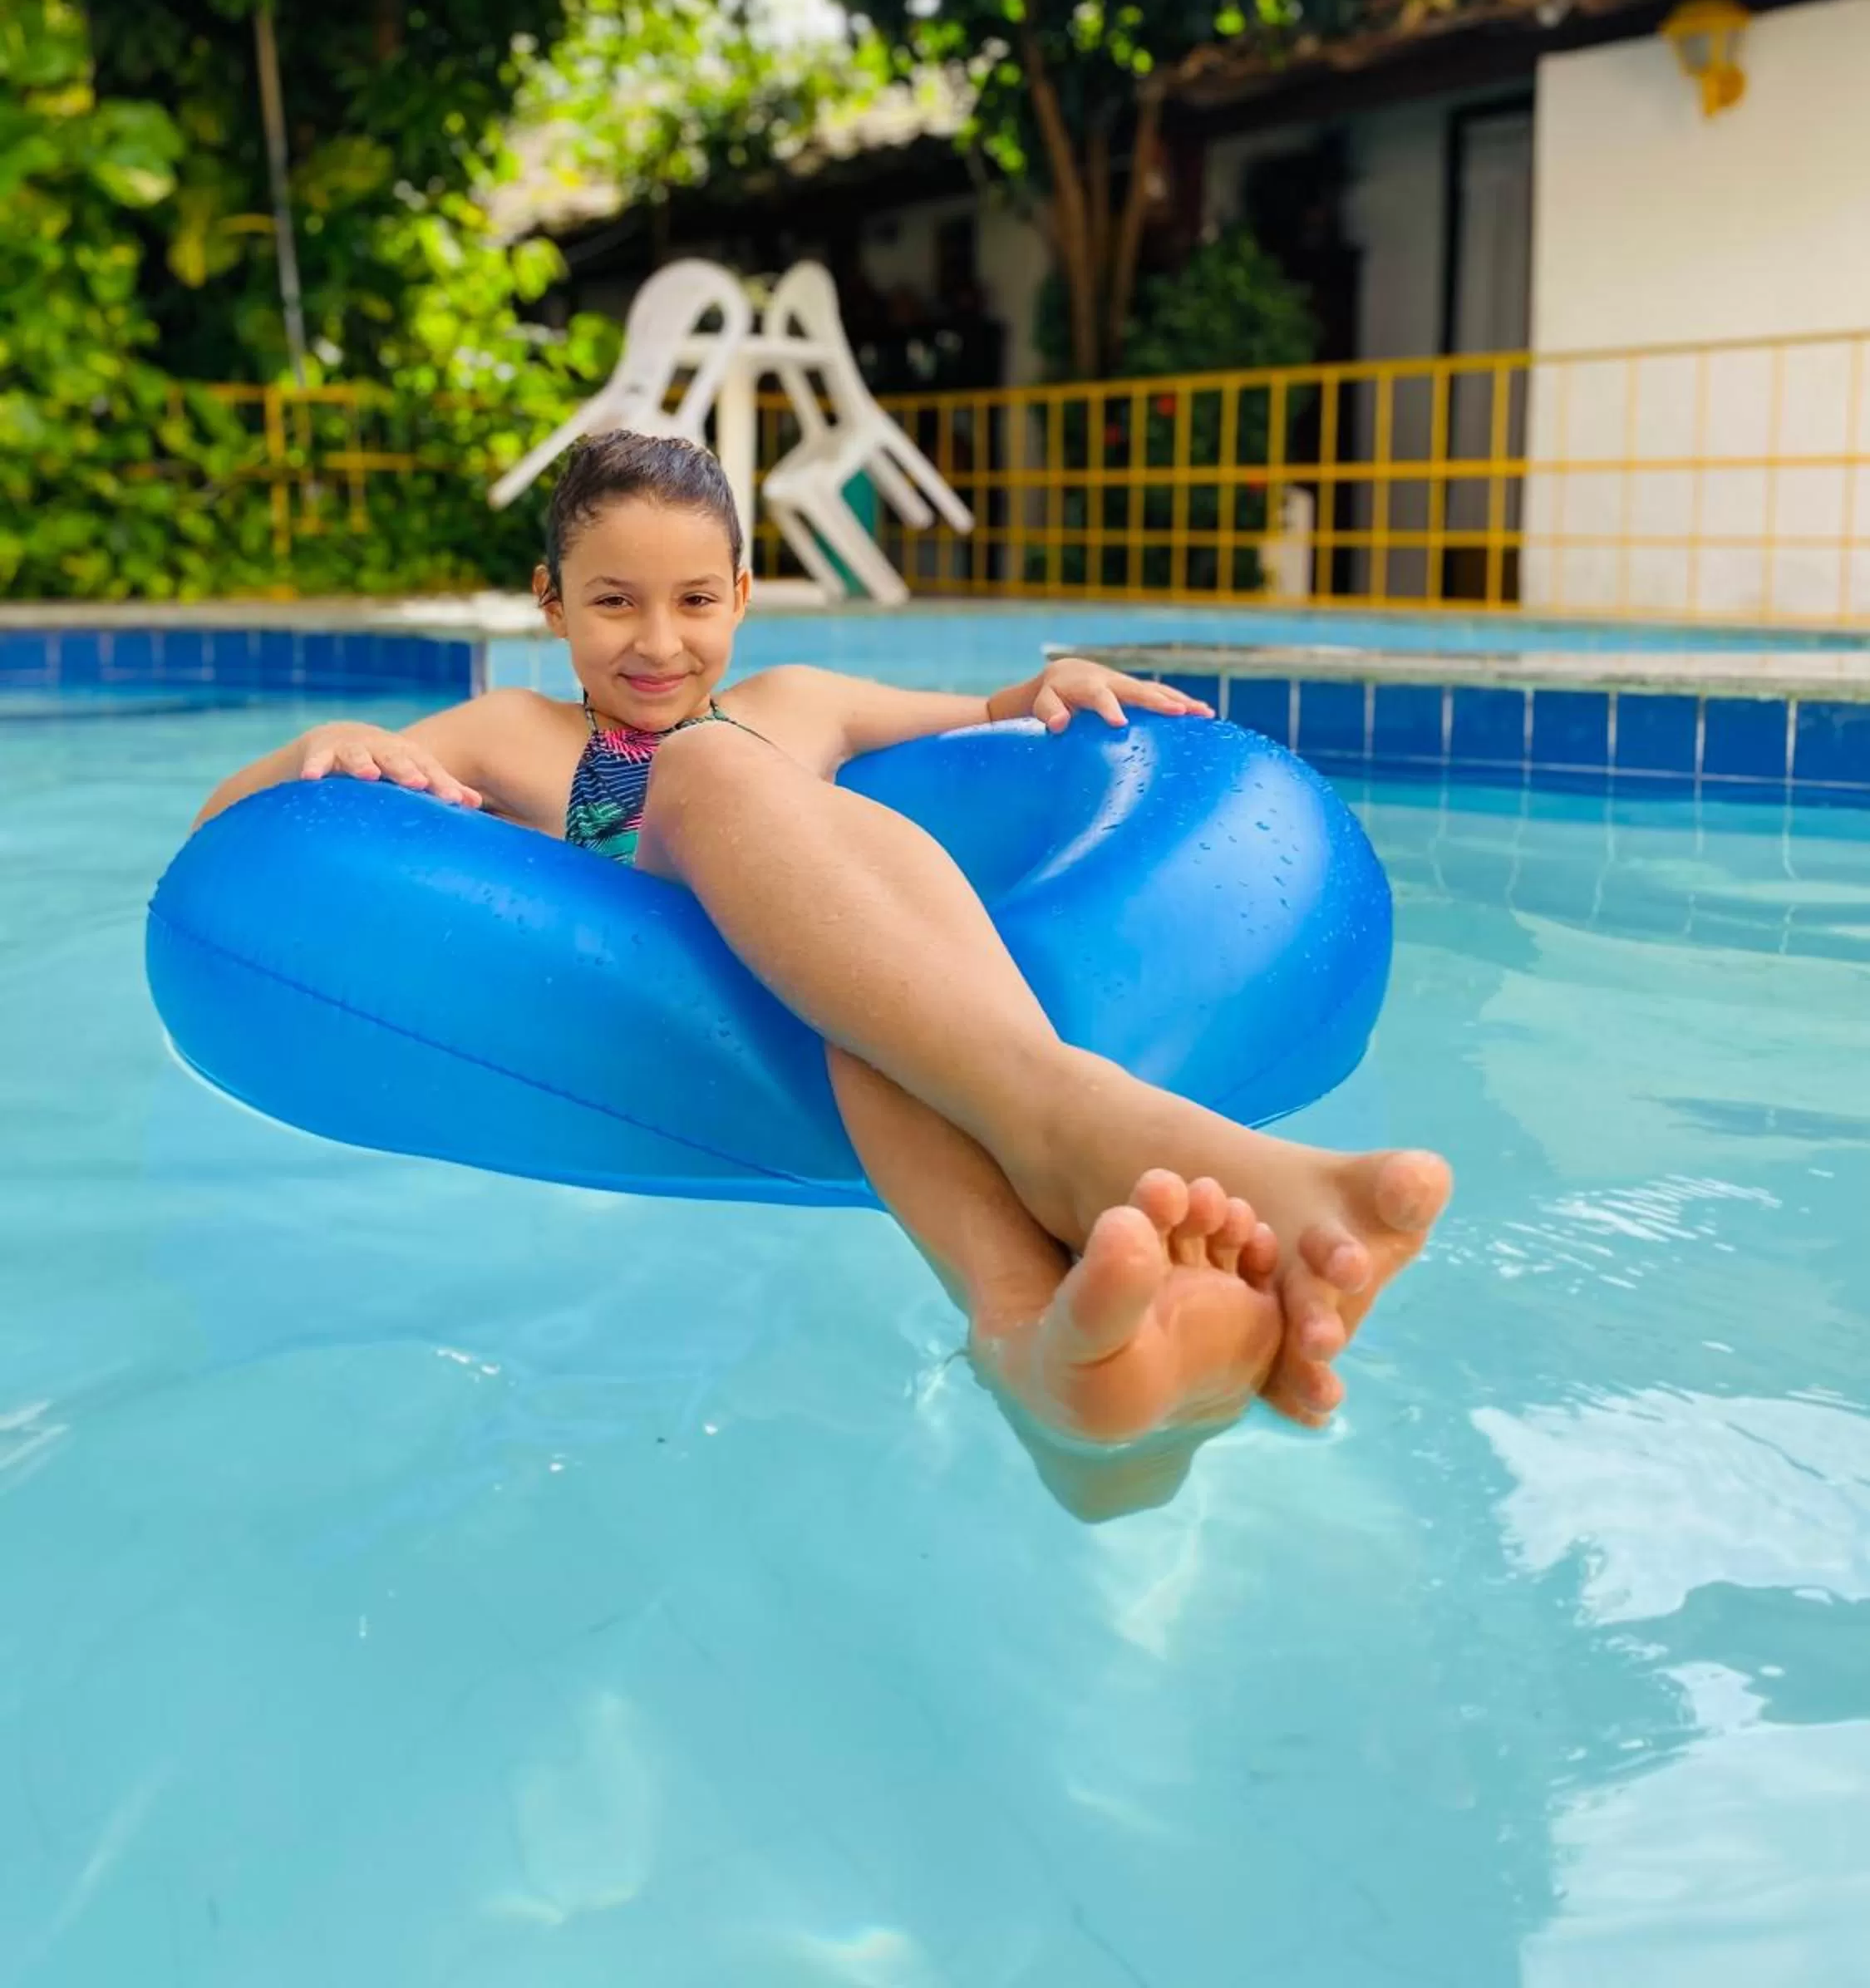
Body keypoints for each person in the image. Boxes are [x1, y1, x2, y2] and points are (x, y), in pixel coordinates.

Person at [194, 431, 1449, 1518]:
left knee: (821, 860)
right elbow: (237, 834)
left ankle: (1030, 1343)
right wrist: (322, 744)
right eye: (612, 601)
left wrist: (1047, 687)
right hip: (658, 1010)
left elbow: (995, 724)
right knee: (705, 775)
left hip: (837, 987)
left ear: (742, 594)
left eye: (695, 601)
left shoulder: (802, 700)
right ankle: (1070, 1124)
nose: (655, 641)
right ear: (551, 602)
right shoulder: (505, 738)